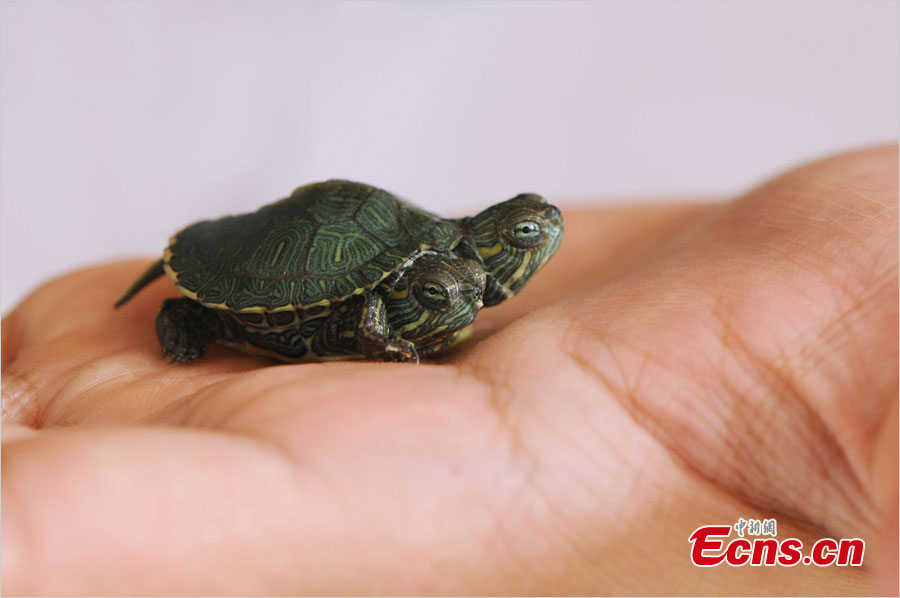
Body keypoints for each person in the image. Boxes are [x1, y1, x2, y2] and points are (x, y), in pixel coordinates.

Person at [2, 145, 896, 595]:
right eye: (518, 237)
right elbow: (396, 293)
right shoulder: (443, 267)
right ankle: (192, 305)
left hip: (386, 230)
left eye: (525, 233)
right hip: (298, 262)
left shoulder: (462, 260)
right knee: (214, 314)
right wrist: (389, 332)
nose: (537, 234)